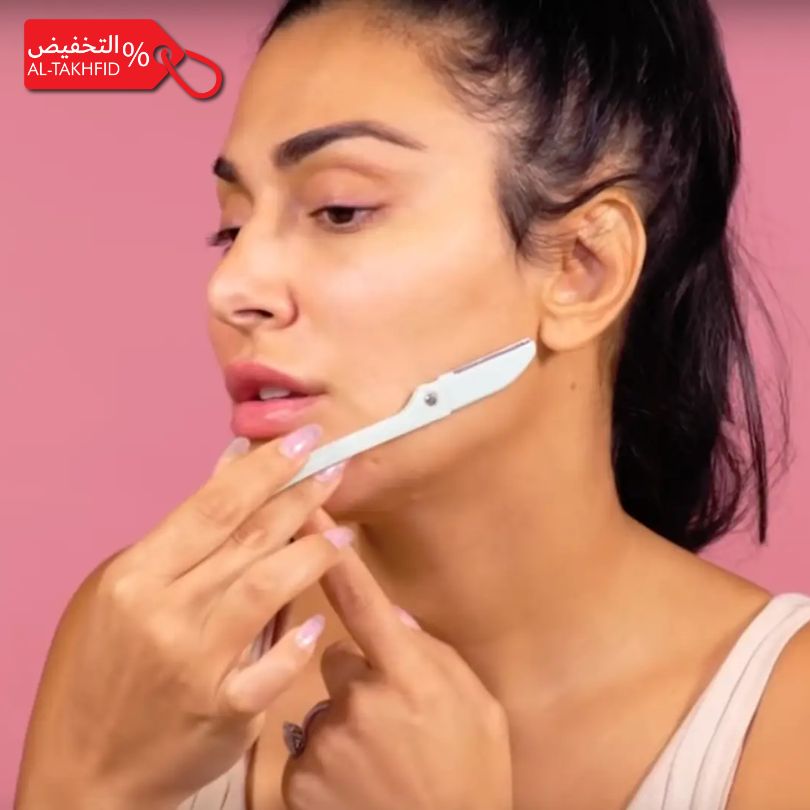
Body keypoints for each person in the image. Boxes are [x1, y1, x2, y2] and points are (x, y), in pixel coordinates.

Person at [14, 1, 810, 809]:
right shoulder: (144, 639)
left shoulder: (787, 726)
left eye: (340, 210)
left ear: (583, 268)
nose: (231, 287)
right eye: (233, 227)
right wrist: (93, 783)